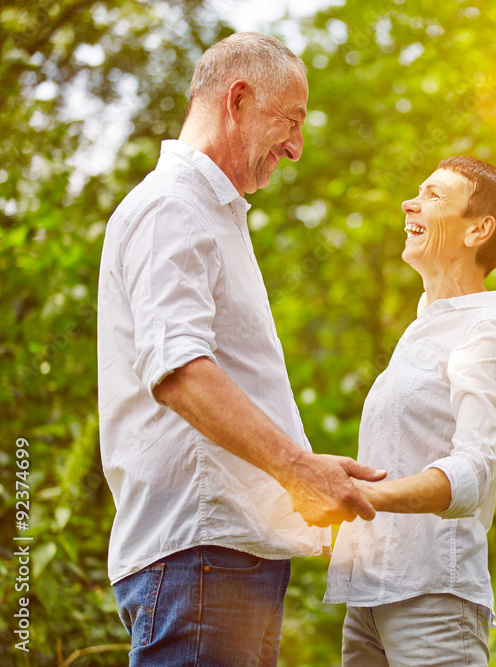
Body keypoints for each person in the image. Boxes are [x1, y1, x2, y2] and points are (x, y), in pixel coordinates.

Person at [96, 32, 384, 665]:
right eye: (292, 120)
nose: (297, 147)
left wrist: (302, 463)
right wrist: (299, 470)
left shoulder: (212, 214)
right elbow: (180, 374)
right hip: (200, 559)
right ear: (239, 98)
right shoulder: (171, 208)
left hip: (228, 559)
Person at [324, 156, 496, 666]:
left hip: (433, 596)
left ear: (478, 229)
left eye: (435, 195)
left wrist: (364, 496)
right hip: (368, 594)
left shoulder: (488, 331)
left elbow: (474, 470)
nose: (409, 203)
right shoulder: (422, 331)